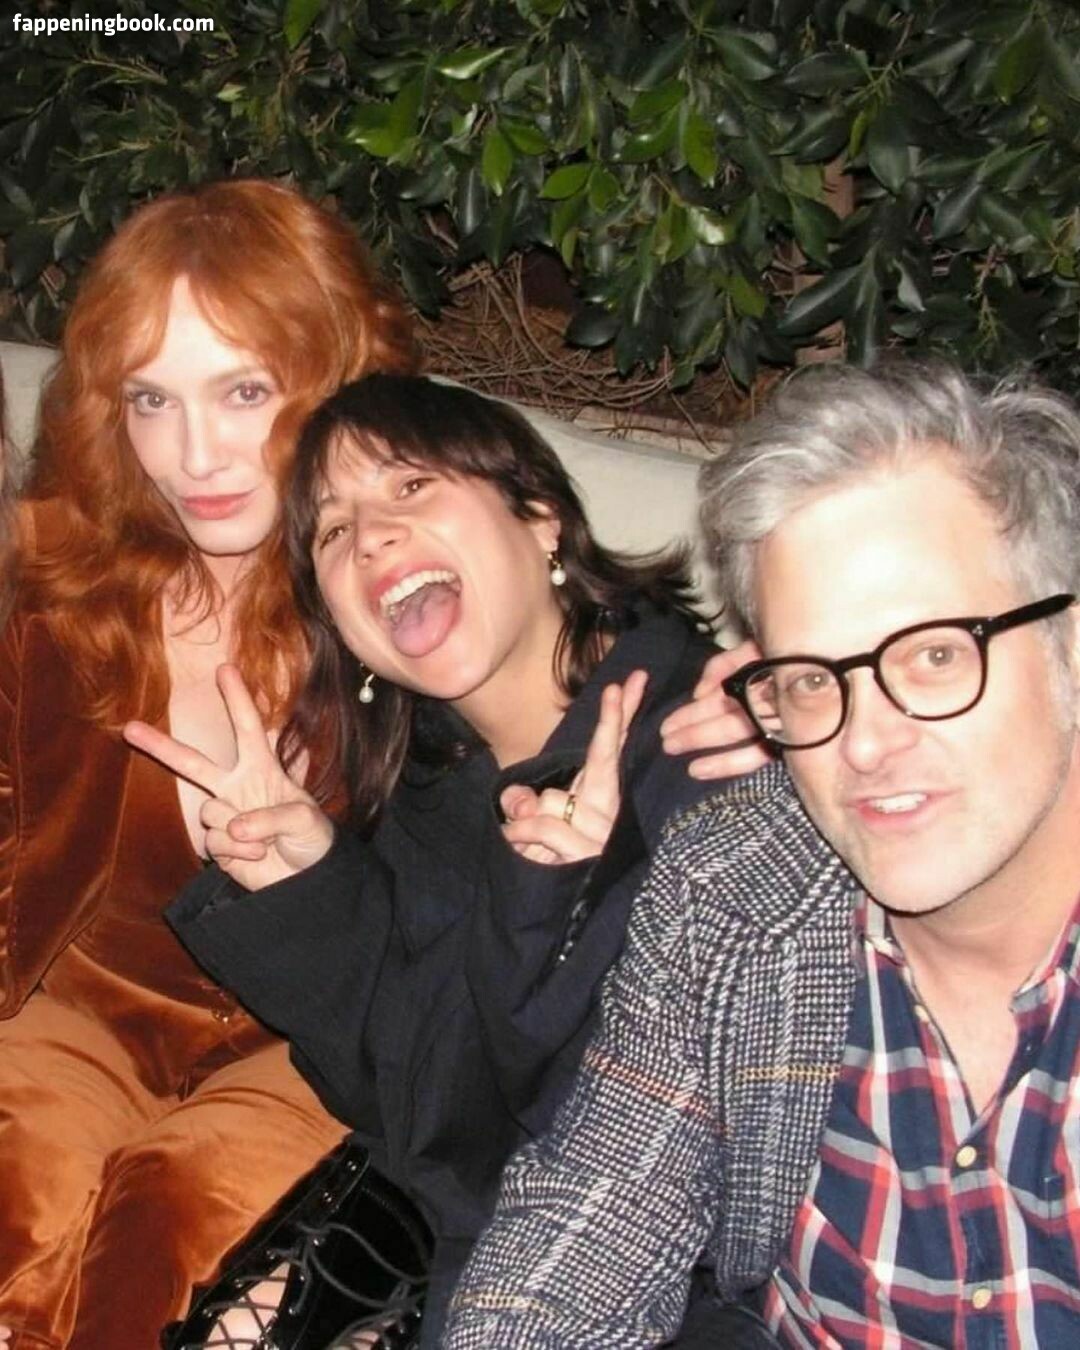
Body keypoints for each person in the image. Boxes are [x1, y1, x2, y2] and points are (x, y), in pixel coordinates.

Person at [443, 361, 1080, 1348]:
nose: (866, 743)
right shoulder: (737, 885)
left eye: (935, 655)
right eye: (815, 679)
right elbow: (590, 1220)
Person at [123, 373, 748, 1347]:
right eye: (333, 531)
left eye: (410, 486)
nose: (369, 537)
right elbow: (416, 1099)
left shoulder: (710, 746)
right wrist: (309, 883)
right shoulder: (433, 790)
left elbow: (629, 1162)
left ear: (539, 517)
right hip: (455, 1256)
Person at [0, 178, 416, 1349]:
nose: (195, 455)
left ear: (335, 380)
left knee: (165, 1225)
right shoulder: (59, 578)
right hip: (80, 1004)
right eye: (151, 398)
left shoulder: (410, 605)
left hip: (304, 1051)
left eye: (244, 391)